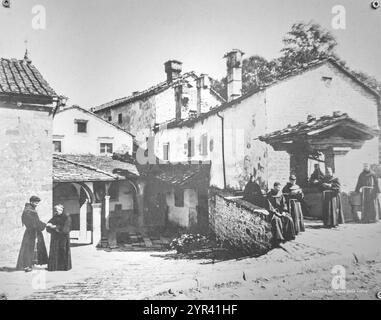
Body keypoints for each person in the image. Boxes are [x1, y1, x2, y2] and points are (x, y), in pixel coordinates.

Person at [16, 196, 48, 272]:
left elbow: (36, 221)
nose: (37, 204)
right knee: (29, 249)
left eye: (37, 203)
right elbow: (34, 222)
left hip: (34, 231)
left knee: (34, 248)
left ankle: (31, 264)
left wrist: (40, 225)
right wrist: (44, 225)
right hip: (31, 232)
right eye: (36, 202)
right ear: (31, 202)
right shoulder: (28, 211)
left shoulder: (30, 209)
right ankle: (26, 265)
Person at [46, 204, 72, 271]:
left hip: (63, 237)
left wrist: (55, 227)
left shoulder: (66, 217)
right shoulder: (55, 216)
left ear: (61, 210)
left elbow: (66, 228)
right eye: (55, 210)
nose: (55, 212)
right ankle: (54, 267)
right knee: (54, 251)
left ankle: (63, 267)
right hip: (55, 237)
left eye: (57, 210)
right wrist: (49, 224)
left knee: (62, 250)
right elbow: (50, 222)